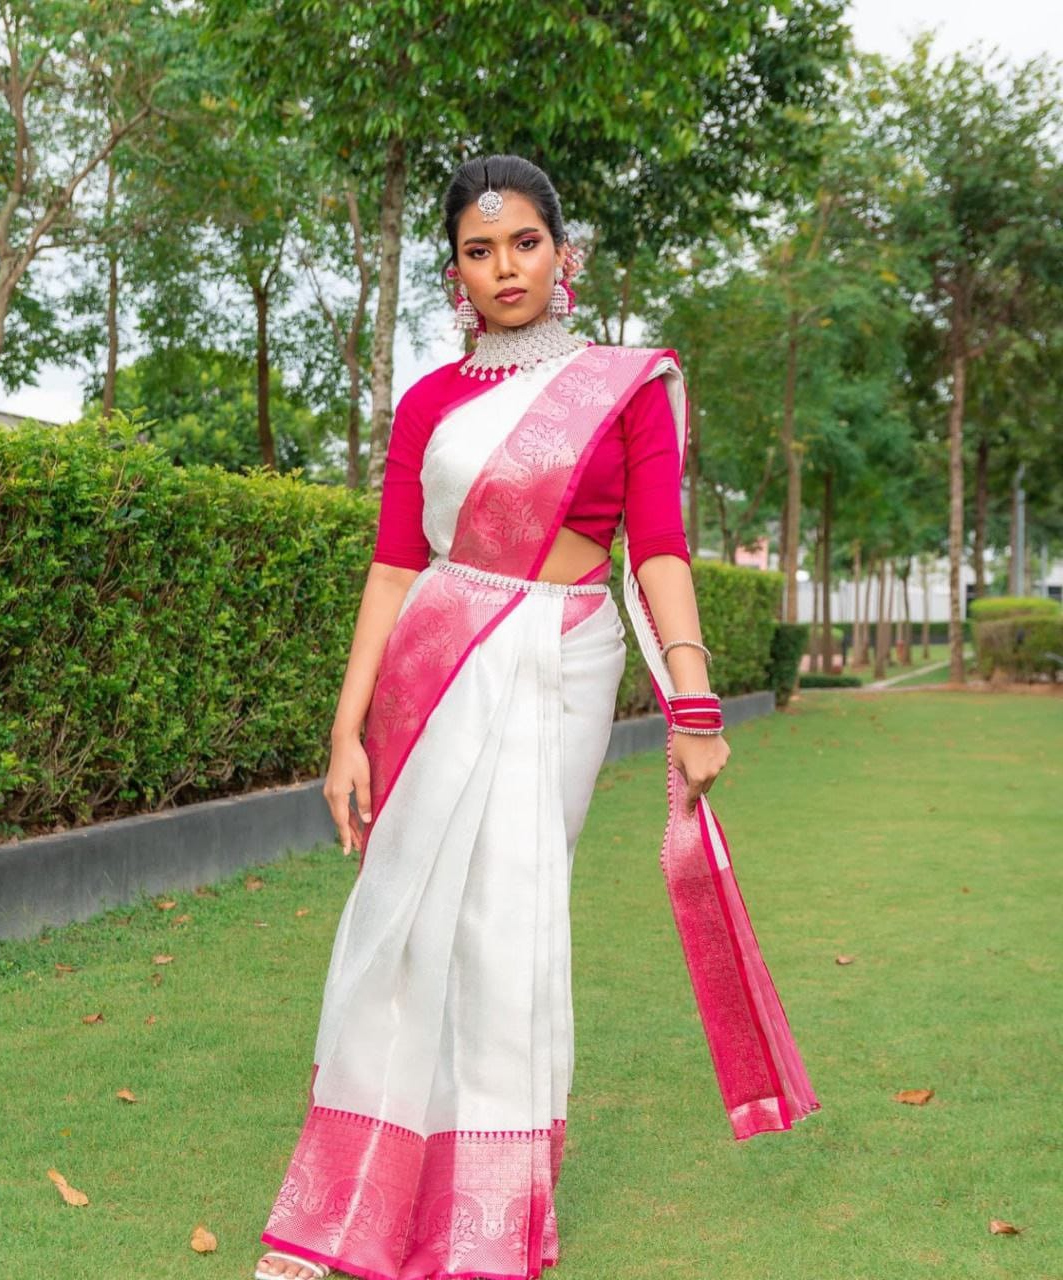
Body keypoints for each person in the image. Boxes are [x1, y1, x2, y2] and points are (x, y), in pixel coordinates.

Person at [254, 155, 816, 1280]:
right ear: (455, 269)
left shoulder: (626, 385)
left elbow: (656, 549)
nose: (502, 266)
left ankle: (485, 1218)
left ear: (564, 252)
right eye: (477, 248)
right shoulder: (428, 402)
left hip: (563, 658)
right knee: (399, 929)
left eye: (523, 243)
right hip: (437, 665)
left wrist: (694, 701)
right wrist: (343, 730)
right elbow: (392, 571)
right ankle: (348, 1205)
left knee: (507, 926)